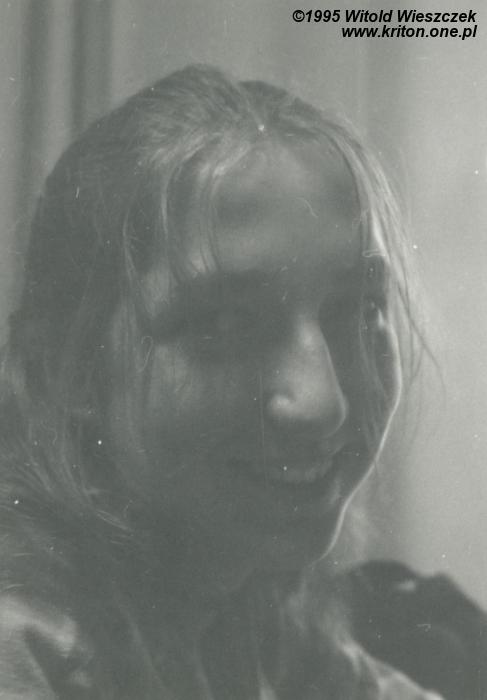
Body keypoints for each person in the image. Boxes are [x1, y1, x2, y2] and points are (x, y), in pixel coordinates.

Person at [0, 64, 482, 699]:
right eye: (225, 324)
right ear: (66, 369)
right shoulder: (26, 647)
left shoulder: (243, 602)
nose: (323, 404)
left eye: (358, 310)